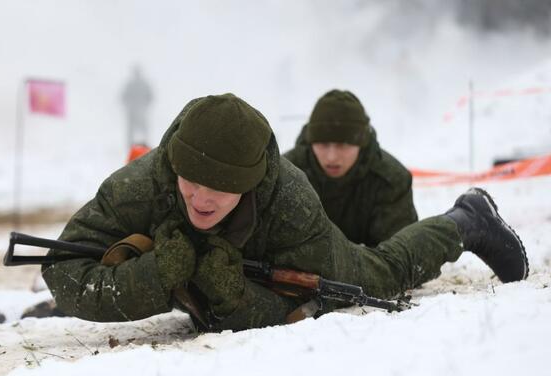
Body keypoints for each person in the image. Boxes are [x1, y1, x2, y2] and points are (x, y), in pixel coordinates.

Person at [42, 93, 528, 332]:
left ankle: (466, 219)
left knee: (382, 274)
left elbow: (310, 307)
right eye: (190, 182)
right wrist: (154, 275)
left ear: (250, 184)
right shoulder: (141, 185)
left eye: (221, 189)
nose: (200, 199)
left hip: (292, 250)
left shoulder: (289, 203)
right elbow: (63, 269)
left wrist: (235, 300)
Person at [284, 89, 417, 246]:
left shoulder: (390, 179)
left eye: (343, 145)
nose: (331, 157)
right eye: (323, 144)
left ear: (361, 144)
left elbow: (401, 254)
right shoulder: (286, 175)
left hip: (371, 268)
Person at [121, 65, 154, 149]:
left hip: (141, 110)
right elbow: (124, 97)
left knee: (143, 130)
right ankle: (130, 147)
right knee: (132, 130)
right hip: (133, 111)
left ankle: (144, 146)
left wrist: (145, 105)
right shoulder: (130, 85)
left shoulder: (143, 84)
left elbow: (150, 97)